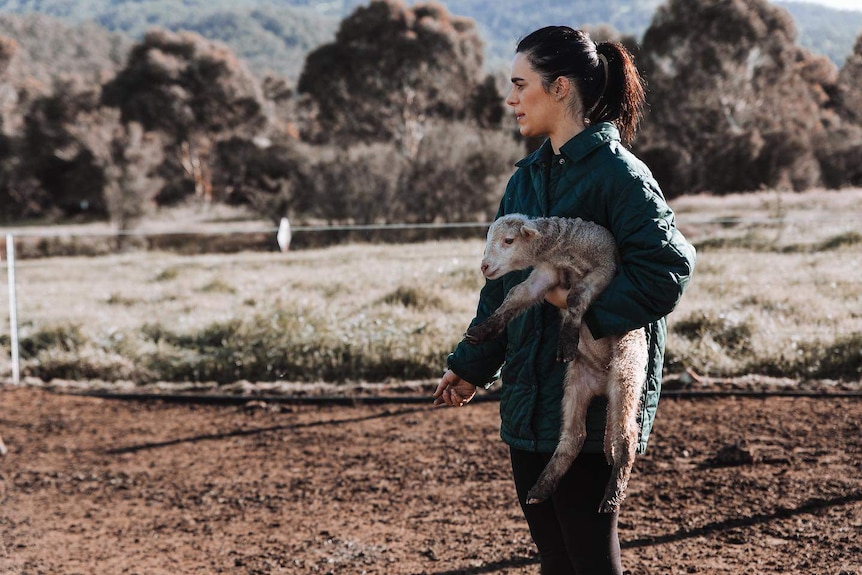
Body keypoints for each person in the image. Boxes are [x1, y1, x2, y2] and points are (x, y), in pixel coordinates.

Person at [433, 26, 696, 575]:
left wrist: (572, 303)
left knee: (591, 562)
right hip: (528, 400)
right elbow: (501, 288)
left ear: (559, 88)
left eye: (518, 83)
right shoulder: (525, 181)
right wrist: (469, 366)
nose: (510, 99)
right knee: (555, 560)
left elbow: (667, 271)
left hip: (593, 401)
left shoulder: (621, 177)